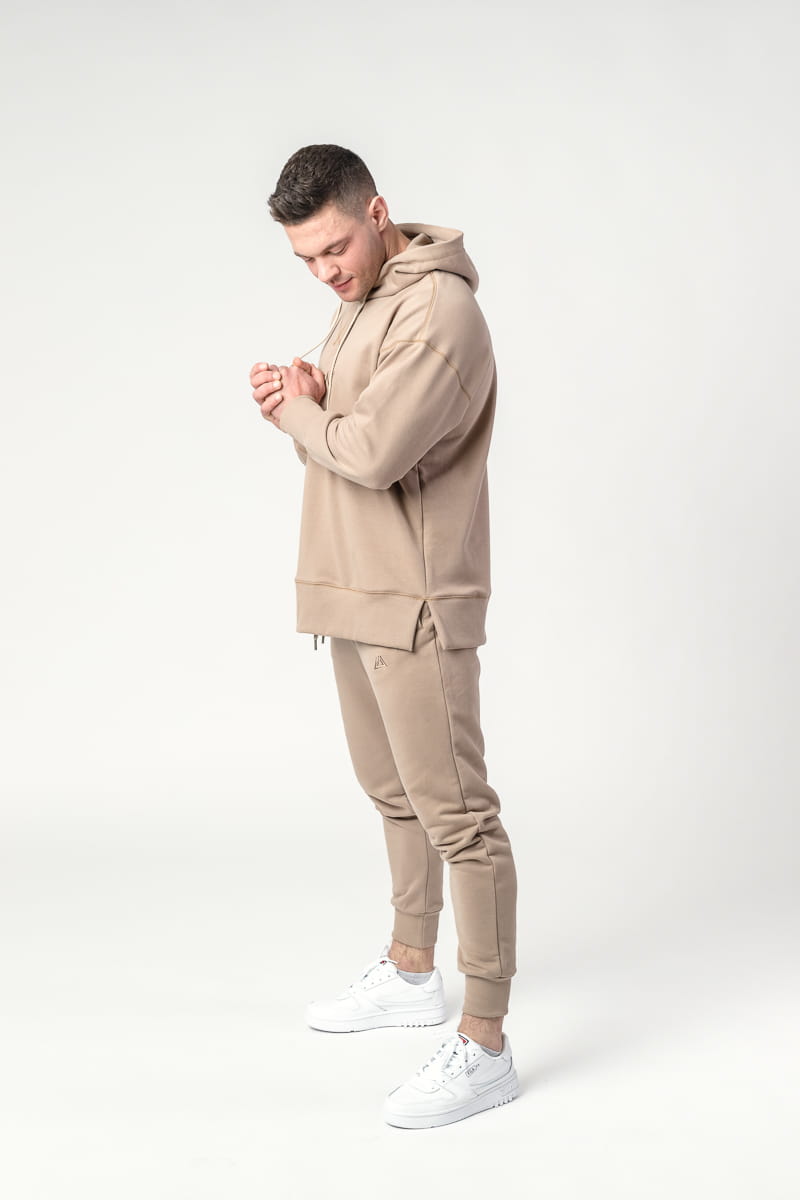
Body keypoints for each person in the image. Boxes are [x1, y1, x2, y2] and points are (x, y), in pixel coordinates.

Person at [249, 144, 518, 1128]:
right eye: (305, 260)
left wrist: (299, 413)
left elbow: (368, 452)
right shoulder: (361, 301)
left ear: (377, 212)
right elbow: (346, 437)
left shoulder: (438, 309)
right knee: (393, 795)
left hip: (415, 596)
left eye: (333, 248)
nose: (324, 271)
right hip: (353, 588)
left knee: (460, 819)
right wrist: (305, 397)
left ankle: (485, 1041)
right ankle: (412, 971)